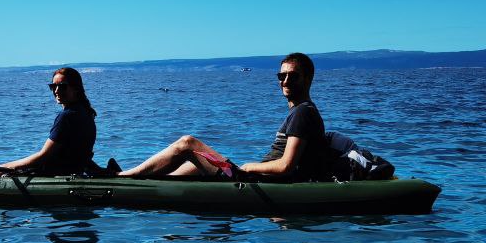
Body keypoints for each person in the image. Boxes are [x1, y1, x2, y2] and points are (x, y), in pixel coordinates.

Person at [117, 52, 330, 181]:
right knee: (193, 165)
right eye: (281, 75)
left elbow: (285, 166)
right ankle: (146, 184)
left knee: (187, 143)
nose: (285, 81)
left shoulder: (302, 112)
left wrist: (249, 167)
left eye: (293, 76)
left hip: (253, 181)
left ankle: (125, 177)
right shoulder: (303, 111)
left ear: (308, 78)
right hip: (253, 178)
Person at [0, 67, 98, 176]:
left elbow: (43, 156)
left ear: (76, 88)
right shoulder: (87, 113)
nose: (56, 91)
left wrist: (6, 166)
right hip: (75, 172)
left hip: (57, 175)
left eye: (62, 86)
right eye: (53, 86)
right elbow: (79, 155)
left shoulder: (67, 117)